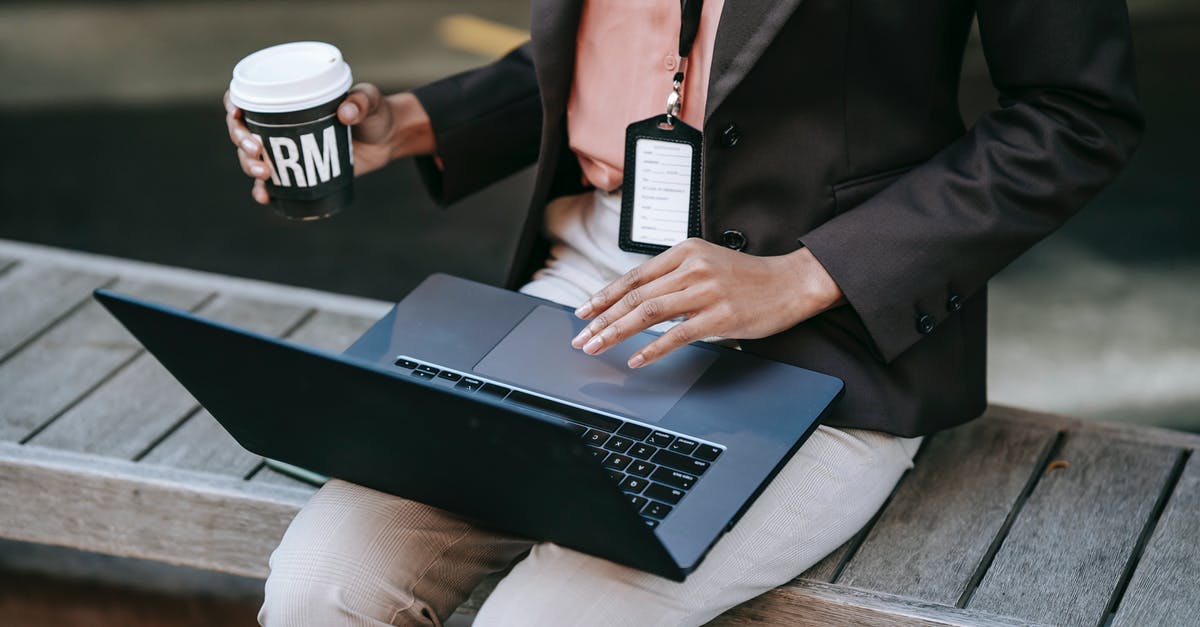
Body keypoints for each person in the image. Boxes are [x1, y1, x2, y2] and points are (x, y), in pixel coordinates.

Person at [225, 1, 1142, 625]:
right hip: (583, 292)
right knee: (320, 590)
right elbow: (628, 45)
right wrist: (417, 121)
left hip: (822, 338)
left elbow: (1074, 114)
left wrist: (811, 273)